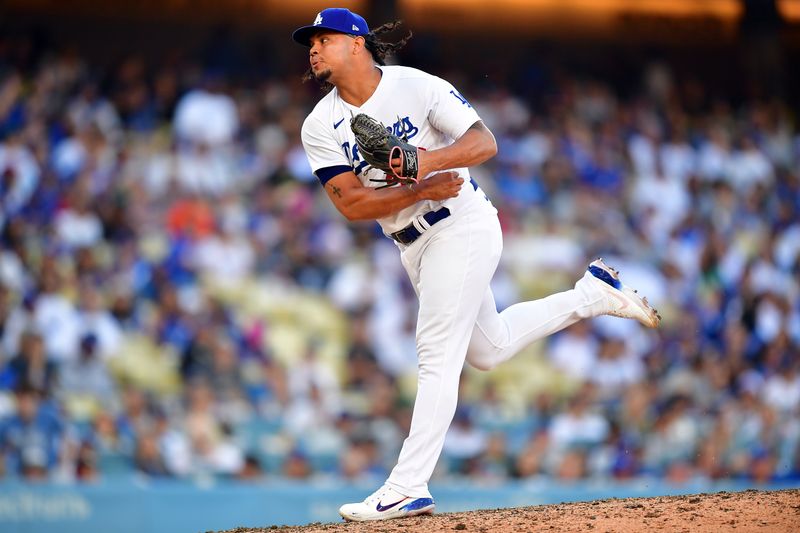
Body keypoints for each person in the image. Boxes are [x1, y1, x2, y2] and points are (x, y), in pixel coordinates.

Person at [292, 7, 660, 522]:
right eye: (308, 41)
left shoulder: (414, 86)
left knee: (435, 355)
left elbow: (483, 142)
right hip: (412, 242)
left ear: (357, 43)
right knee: (488, 350)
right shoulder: (319, 125)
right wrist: (415, 186)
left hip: (460, 222)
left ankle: (408, 485)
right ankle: (592, 294)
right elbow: (350, 204)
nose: (312, 48)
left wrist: (427, 162)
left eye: (322, 38)